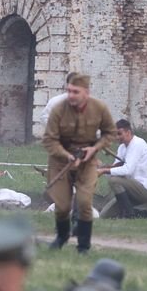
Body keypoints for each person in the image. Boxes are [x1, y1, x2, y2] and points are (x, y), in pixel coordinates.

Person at [42, 73, 116, 253]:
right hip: (61, 161)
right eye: (69, 91)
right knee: (62, 205)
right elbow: (49, 140)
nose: (71, 95)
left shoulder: (99, 108)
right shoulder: (58, 108)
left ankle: (83, 245)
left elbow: (110, 133)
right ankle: (61, 236)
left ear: (86, 92)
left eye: (76, 92)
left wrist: (94, 149)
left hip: (87, 161)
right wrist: (65, 155)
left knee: (84, 202)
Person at [97, 119, 147, 219]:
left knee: (114, 181)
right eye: (116, 134)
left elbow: (127, 170)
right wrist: (102, 167)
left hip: (145, 189)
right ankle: (142, 214)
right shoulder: (122, 148)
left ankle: (129, 215)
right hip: (129, 190)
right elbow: (114, 172)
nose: (117, 137)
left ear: (128, 132)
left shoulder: (138, 144)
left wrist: (103, 170)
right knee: (104, 216)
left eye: (119, 134)